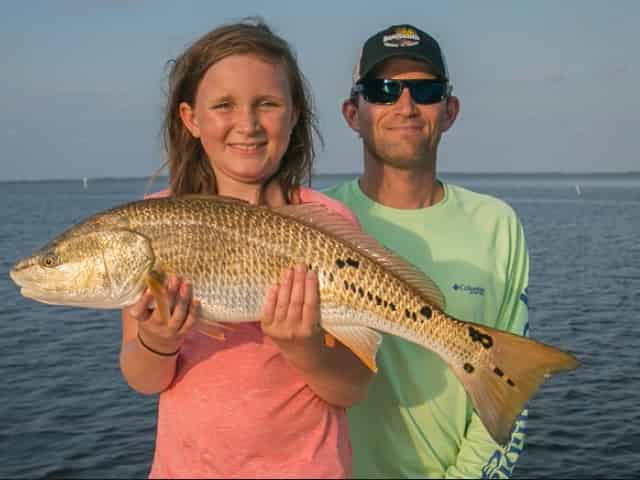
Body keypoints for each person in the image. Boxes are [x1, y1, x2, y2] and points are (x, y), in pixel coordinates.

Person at [119, 19, 373, 479]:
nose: (248, 124)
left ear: (295, 114)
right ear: (190, 119)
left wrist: (307, 348)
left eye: (268, 104)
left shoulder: (329, 224)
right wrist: (158, 342)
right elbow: (143, 379)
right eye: (223, 105)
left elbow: (353, 387)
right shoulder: (151, 225)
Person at [324, 24, 530, 478]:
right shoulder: (316, 218)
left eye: (426, 90)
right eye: (382, 90)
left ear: (450, 110)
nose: (405, 105)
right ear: (351, 112)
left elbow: (510, 390)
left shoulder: (497, 225)